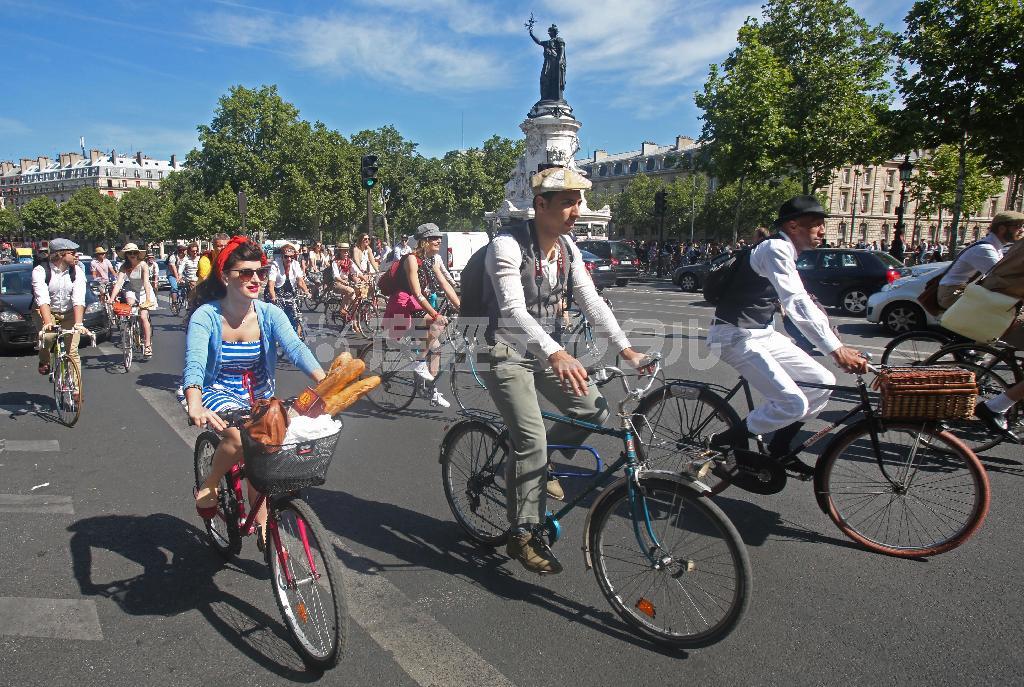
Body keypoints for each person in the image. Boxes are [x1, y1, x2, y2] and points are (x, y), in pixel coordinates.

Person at [481, 167, 650, 574]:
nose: (578, 211)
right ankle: (521, 534)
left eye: (580, 202)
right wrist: (556, 352)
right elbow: (513, 311)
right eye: (570, 203)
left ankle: (544, 462)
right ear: (540, 205)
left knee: (594, 410)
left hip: (544, 350)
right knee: (531, 436)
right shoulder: (506, 246)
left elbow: (591, 301)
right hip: (503, 351)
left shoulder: (568, 249)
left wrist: (627, 351)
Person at [708, 196, 867, 473]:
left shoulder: (785, 252)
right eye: (816, 224)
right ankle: (720, 442)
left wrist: (837, 344)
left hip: (761, 334)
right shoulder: (775, 248)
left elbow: (802, 300)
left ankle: (779, 448)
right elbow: (796, 303)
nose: (822, 231)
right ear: (793, 226)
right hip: (733, 336)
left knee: (823, 382)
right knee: (792, 403)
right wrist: (835, 350)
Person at [185, 237, 326, 539]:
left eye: (261, 272)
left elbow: (295, 348)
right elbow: (195, 363)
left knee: (268, 450)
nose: (256, 279)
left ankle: (264, 527)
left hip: (260, 394)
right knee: (238, 437)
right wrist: (194, 402)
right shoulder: (206, 316)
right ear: (225, 276)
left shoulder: (268, 313)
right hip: (218, 390)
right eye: (245, 273)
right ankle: (210, 484)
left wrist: (324, 380)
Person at [382, 223, 461, 408]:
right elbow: (417, 293)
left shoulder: (431, 260)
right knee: (437, 324)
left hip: (414, 305)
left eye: (440, 238)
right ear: (424, 241)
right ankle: (418, 363)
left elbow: (444, 284)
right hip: (402, 306)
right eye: (435, 238)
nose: (439, 240)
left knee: (438, 348)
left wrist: (461, 306)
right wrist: (435, 314)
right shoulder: (410, 259)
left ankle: (429, 389)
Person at [937, 211, 1024, 310]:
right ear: (1002, 228)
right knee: (1002, 310)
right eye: (1018, 226)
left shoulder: (994, 246)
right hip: (951, 294)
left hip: (961, 290)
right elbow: (1002, 279)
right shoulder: (985, 249)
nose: (1022, 230)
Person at [32, 238, 88, 382]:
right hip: (47, 310)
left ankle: (75, 389)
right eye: (73, 252)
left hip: (69, 312)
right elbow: (42, 298)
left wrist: (79, 324)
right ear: (61, 254)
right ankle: (44, 360)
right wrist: (47, 322)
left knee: (72, 351)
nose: (77, 255)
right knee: (48, 337)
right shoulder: (41, 271)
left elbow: (78, 299)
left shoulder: (77, 271)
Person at [109, 243, 157, 358]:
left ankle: (147, 344)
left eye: (134, 252)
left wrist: (149, 299)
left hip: (144, 291)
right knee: (130, 304)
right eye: (129, 253)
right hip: (132, 289)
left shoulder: (143, 265)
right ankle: (130, 325)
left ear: (138, 254)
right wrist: (111, 298)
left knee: (144, 316)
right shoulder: (124, 266)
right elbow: (119, 283)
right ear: (126, 255)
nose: (132, 255)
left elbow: (146, 282)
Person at [267, 243, 311, 337]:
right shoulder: (276, 264)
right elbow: (271, 284)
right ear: (282, 256)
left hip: (290, 292)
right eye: (286, 257)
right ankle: (274, 336)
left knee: (296, 314)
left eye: (292, 257)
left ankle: (297, 337)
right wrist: (273, 297)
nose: (289, 259)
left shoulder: (295, 264)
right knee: (278, 316)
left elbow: (300, 281)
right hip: (277, 292)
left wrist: (306, 292)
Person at [331, 244, 358, 319]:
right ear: (340, 252)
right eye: (344, 251)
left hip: (346, 284)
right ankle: (342, 310)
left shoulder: (349, 261)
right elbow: (336, 276)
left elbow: (356, 271)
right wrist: (343, 281)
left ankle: (354, 321)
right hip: (337, 284)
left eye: (347, 251)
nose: (346, 253)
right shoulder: (335, 262)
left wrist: (365, 277)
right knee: (351, 290)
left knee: (356, 302)